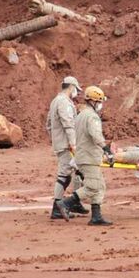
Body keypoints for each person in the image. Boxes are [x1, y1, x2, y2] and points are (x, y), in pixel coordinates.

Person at [64, 86, 113, 226]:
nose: (100, 105)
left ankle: (96, 216)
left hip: (84, 155)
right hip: (89, 157)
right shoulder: (92, 117)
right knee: (92, 186)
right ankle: (65, 203)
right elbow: (95, 135)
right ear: (93, 101)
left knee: (100, 186)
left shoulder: (81, 115)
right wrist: (106, 148)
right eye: (99, 102)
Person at [46, 76, 88, 221]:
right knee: (64, 175)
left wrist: (54, 138)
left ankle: (74, 202)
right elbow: (68, 124)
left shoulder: (56, 101)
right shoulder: (63, 102)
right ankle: (57, 208)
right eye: (76, 89)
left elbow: (48, 124)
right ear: (71, 87)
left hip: (62, 142)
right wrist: (73, 143)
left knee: (78, 170)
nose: (77, 92)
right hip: (66, 144)